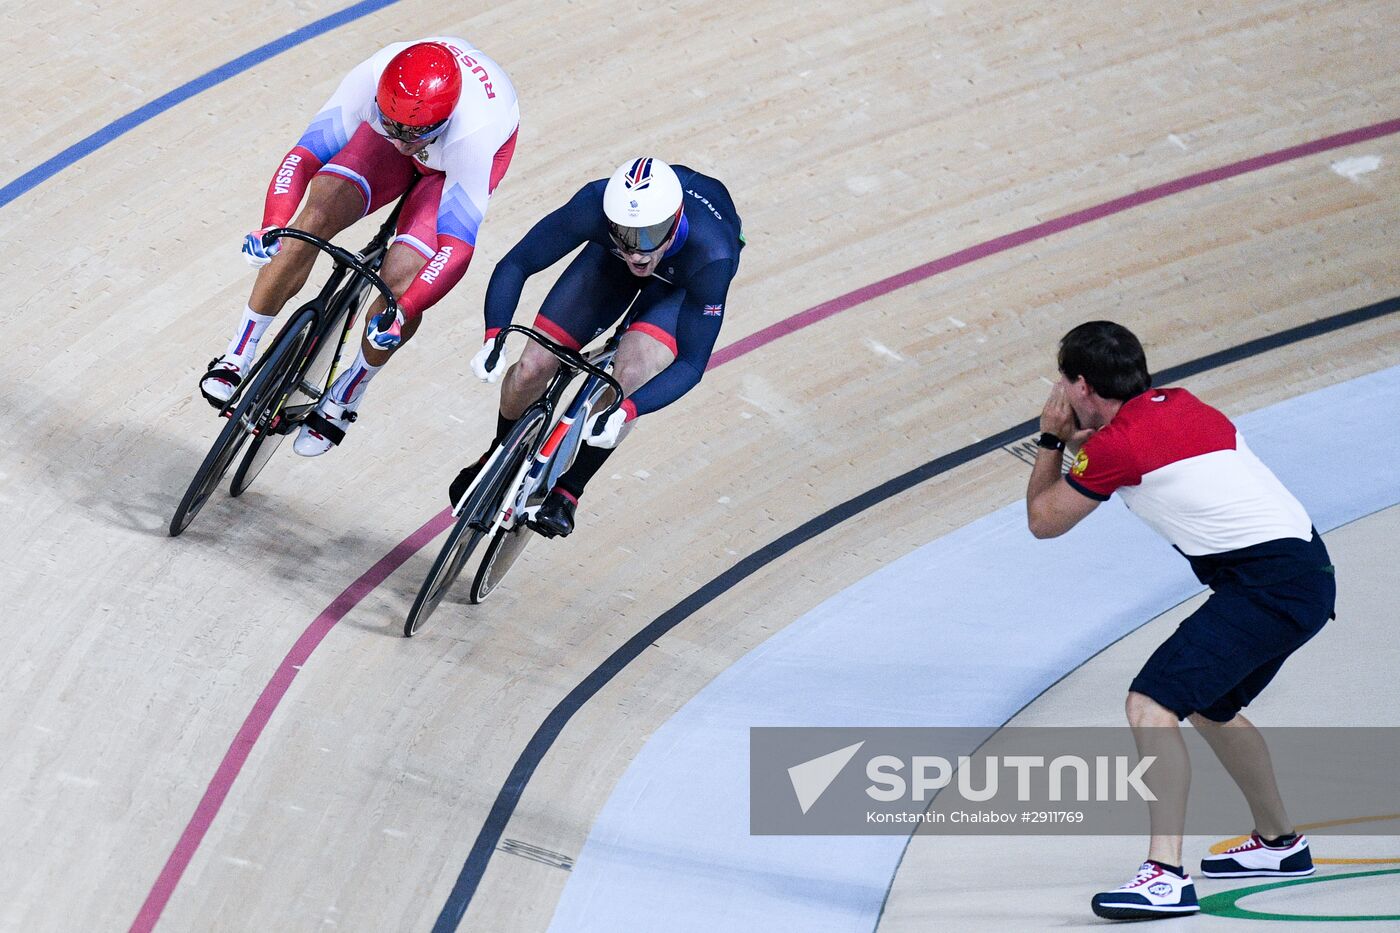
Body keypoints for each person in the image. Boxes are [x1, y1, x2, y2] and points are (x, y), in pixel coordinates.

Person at [1025, 321, 1335, 921]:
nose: (1059, 390)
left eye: (1064, 380)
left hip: (1265, 588)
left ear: (1083, 386)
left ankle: (1164, 876)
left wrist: (1049, 440)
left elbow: (1044, 521)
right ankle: (1281, 845)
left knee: (1150, 703)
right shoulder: (1183, 402)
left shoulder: (1112, 449)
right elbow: (1142, 440)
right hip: (1307, 575)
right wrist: (1087, 433)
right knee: (1211, 704)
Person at [198, 38, 519, 456]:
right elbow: (303, 157)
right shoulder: (370, 81)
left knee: (402, 282)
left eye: (414, 135)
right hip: (399, 130)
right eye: (394, 127)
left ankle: (349, 391)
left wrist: (403, 312)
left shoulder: (471, 134)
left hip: (451, 168)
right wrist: (271, 226)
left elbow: (455, 247)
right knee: (310, 220)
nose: (404, 143)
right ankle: (237, 353)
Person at [449, 157, 743, 537]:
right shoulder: (596, 203)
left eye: (650, 234)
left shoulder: (714, 255)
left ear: (673, 222)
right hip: (608, 262)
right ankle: (499, 452)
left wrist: (627, 409)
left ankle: (569, 491)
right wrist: (494, 337)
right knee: (531, 367)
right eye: (626, 233)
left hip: (682, 282)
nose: (637, 252)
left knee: (632, 376)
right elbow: (518, 263)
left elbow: (691, 362)